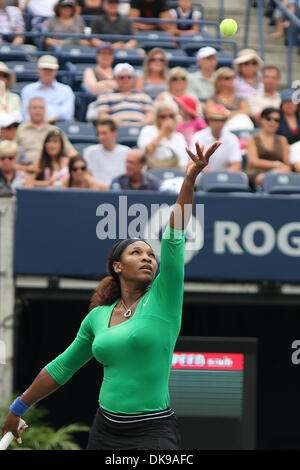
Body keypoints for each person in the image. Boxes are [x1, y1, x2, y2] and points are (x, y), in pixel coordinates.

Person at [1, 137, 221, 451]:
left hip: (154, 431)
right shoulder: (98, 317)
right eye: (137, 252)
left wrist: (189, 179)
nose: (148, 257)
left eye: (150, 254)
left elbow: (174, 237)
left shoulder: (164, 297)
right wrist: (18, 408)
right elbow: (62, 367)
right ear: (117, 266)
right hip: (105, 430)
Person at [88, 63, 154, 126]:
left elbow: (151, 115)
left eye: (129, 77)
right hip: (115, 130)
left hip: (141, 129)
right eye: (122, 77)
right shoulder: (106, 95)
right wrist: (119, 124)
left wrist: (140, 125)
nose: (125, 80)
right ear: (115, 79)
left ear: (133, 79)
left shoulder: (144, 96)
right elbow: (102, 115)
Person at [15, 97, 77, 163]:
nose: (37, 111)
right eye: (34, 108)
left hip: (51, 168)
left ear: (45, 110)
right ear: (28, 110)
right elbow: (9, 151)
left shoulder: (55, 131)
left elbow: (71, 152)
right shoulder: (19, 129)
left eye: (41, 108)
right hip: (26, 167)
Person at [189, 104, 242, 176]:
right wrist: (215, 176)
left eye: (222, 120)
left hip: (227, 176)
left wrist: (222, 176)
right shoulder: (198, 137)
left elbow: (236, 164)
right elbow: (194, 163)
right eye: (215, 120)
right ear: (209, 121)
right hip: (203, 175)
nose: (219, 123)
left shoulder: (232, 138)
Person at [21, 55, 75, 123]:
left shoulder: (66, 90)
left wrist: (48, 120)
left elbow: (67, 114)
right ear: (38, 70)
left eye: (50, 69)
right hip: (33, 127)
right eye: (45, 69)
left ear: (56, 71)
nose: (47, 72)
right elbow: (25, 115)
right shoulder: (27, 90)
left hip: (58, 126)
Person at [245, 107, 291, 188]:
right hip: (255, 174)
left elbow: (287, 164)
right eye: (269, 119)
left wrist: (278, 169)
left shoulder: (282, 140)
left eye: (276, 120)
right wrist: (276, 164)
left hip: (277, 173)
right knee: (264, 178)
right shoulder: (252, 139)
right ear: (262, 120)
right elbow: (254, 162)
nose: (272, 122)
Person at [137, 100, 189, 170]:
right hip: (153, 170)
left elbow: (183, 161)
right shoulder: (148, 130)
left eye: (171, 116)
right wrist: (162, 132)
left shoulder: (179, 137)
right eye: (163, 117)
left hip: (175, 171)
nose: (168, 119)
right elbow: (148, 151)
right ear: (157, 118)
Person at [83, 119, 130, 186]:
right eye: (98, 134)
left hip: (121, 193)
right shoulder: (90, 152)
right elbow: (86, 175)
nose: (101, 137)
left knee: (124, 197)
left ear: (115, 133)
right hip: (97, 193)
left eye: (104, 133)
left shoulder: (127, 152)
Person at [205, 66, 252, 131]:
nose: (232, 80)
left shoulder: (239, 98)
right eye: (228, 78)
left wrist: (228, 114)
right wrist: (233, 113)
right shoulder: (213, 98)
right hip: (220, 127)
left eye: (233, 77)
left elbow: (246, 112)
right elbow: (210, 114)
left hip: (239, 126)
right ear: (219, 81)